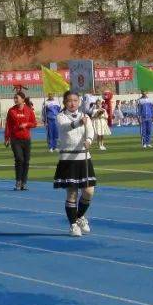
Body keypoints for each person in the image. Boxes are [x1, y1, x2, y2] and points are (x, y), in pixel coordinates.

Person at [52, 91, 96, 237]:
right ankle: (73, 225)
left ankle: (79, 217)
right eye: (69, 100)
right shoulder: (60, 116)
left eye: (75, 100)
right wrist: (78, 122)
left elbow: (90, 132)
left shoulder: (86, 117)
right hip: (68, 159)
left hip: (84, 157)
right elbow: (65, 127)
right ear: (64, 102)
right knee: (72, 193)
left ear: (79, 102)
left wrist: (89, 141)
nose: (72, 103)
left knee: (89, 191)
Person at [4, 91, 37, 191]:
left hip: (26, 139)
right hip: (15, 139)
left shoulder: (29, 110)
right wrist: (6, 138)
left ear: (23, 99)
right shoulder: (11, 111)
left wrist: (26, 124)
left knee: (26, 161)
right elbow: (8, 125)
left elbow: (34, 123)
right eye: (14, 98)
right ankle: (18, 181)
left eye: (16, 98)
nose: (15, 100)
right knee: (19, 159)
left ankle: (24, 182)